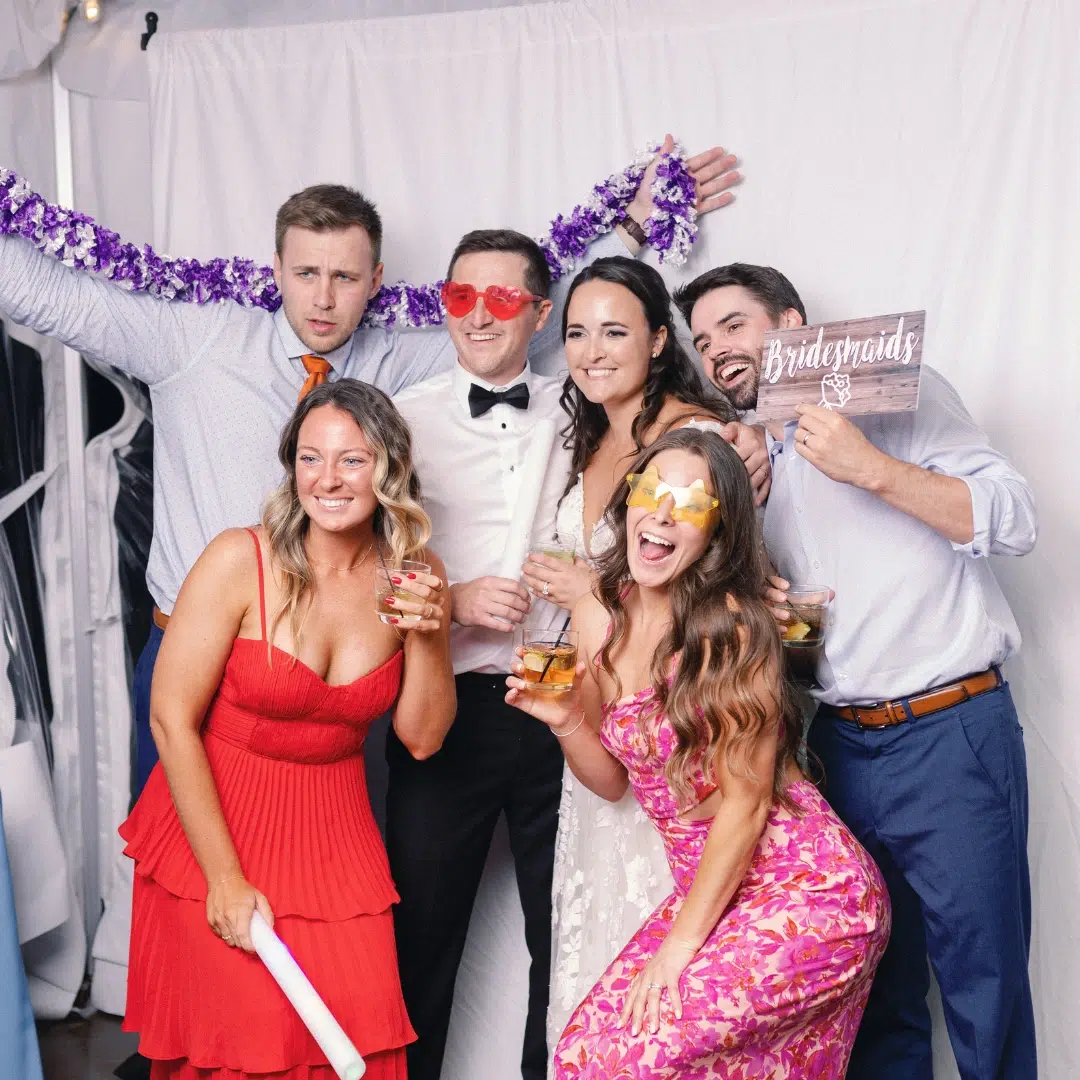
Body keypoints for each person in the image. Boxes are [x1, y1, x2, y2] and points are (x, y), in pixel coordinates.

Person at [0, 140, 737, 792]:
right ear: (276, 268)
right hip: (197, 655)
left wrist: (634, 225)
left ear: (376, 278)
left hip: (331, 670)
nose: (323, 298)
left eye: (346, 278)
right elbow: (54, 298)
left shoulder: (399, 354)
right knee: (175, 872)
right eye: (306, 273)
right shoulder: (191, 338)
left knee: (316, 871)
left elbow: (520, 326)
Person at [674, 263, 1039, 1080]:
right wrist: (762, 602)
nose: (718, 350)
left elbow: (1015, 519)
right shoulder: (748, 463)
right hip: (837, 746)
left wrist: (871, 466)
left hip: (949, 734)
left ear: (794, 322)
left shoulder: (897, 396)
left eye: (735, 325)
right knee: (867, 987)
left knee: (985, 990)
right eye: (703, 341)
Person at [507, 426, 890, 1077]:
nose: (662, 513)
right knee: (580, 1057)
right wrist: (568, 719)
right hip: (714, 888)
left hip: (808, 890)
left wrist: (677, 949)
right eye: (652, 491)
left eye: (689, 504)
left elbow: (743, 806)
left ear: (717, 530)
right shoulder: (607, 612)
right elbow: (613, 783)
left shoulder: (733, 628)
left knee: (631, 1059)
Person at [118, 379, 456, 1079]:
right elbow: (170, 718)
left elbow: (423, 738)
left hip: (338, 841)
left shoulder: (414, 572)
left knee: (354, 1048)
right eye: (310, 458)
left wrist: (431, 635)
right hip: (215, 828)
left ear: (389, 469)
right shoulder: (240, 560)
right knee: (238, 1052)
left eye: (352, 460)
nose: (327, 480)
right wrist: (223, 879)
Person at [514, 255, 765, 1049]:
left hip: (670, 738)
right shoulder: (593, 434)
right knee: (588, 949)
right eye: (577, 332)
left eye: (615, 331)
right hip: (595, 715)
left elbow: (724, 581)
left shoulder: (693, 439)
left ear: (660, 340)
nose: (590, 350)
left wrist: (587, 589)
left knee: (661, 985)